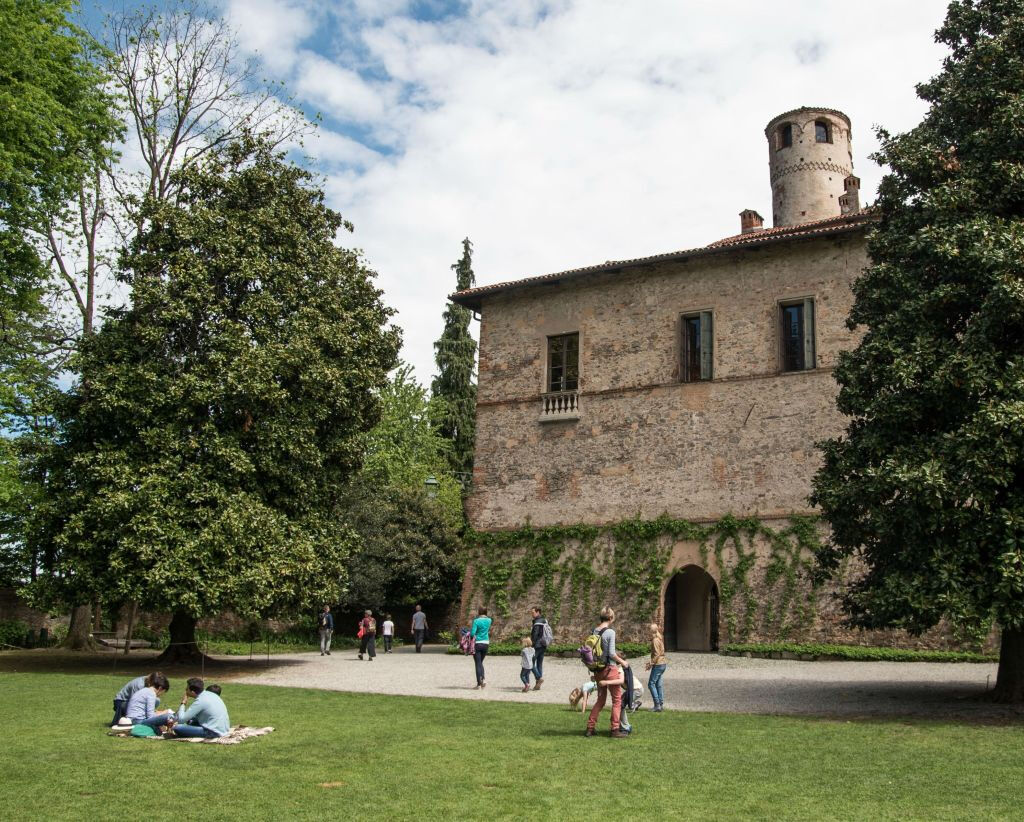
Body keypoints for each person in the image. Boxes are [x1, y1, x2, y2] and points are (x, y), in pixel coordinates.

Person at [585, 606, 630, 739]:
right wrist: (623, 662)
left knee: (600, 700)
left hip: (598, 669)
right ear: (611, 618)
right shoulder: (610, 632)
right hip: (610, 668)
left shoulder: (595, 630)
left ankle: (590, 728)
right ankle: (615, 729)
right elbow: (611, 653)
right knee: (616, 700)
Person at [645, 621, 667, 712]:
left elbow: (657, 654)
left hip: (658, 664)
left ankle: (657, 705)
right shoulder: (659, 638)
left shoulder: (655, 640)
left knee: (651, 684)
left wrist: (651, 663)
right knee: (658, 684)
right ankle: (660, 704)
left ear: (651, 631)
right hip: (662, 664)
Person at [529, 606, 550, 690]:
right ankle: (538, 685)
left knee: (530, 663)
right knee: (539, 664)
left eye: (533, 612)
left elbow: (535, 634)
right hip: (544, 644)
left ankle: (538, 678)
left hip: (537, 645)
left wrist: (531, 644)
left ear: (538, 612)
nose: (532, 614)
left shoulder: (537, 622)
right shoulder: (544, 620)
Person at [470, 606, 491, 689]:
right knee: (480, 662)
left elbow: (472, 633)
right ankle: (484, 679)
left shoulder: (476, 621)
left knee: (478, 663)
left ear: (479, 612)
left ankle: (479, 684)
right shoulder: (489, 620)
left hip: (478, 643)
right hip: (486, 643)